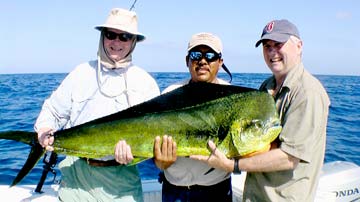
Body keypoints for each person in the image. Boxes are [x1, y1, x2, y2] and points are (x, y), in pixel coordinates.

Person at [190, 19, 331, 201]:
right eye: (267, 46)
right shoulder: (267, 86)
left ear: (299, 46)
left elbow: (289, 157)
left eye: (278, 44)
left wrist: (232, 165)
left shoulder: (307, 92)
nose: (272, 52)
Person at [35, 8, 160, 201]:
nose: (116, 42)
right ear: (102, 36)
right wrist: (44, 130)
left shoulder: (146, 83)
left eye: (124, 37)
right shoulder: (81, 72)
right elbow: (52, 110)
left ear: (133, 41)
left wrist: (136, 153)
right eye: (111, 35)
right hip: (76, 175)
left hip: (122, 182)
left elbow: (153, 139)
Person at [153, 32, 233, 202]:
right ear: (187, 61)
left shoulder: (232, 98)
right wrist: (161, 162)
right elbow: (157, 159)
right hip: (174, 191)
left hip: (216, 191)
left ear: (220, 62)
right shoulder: (170, 94)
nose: (202, 61)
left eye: (210, 56)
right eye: (196, 55)